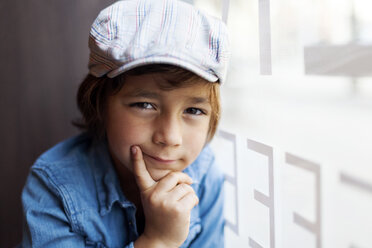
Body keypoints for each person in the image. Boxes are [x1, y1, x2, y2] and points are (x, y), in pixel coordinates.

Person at [20, 0, 230, 247]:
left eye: (193, 110)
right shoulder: (53, 185)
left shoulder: (205, 175)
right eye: (144, 105)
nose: (170, 137)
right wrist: (159, 240)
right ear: (100, 104)